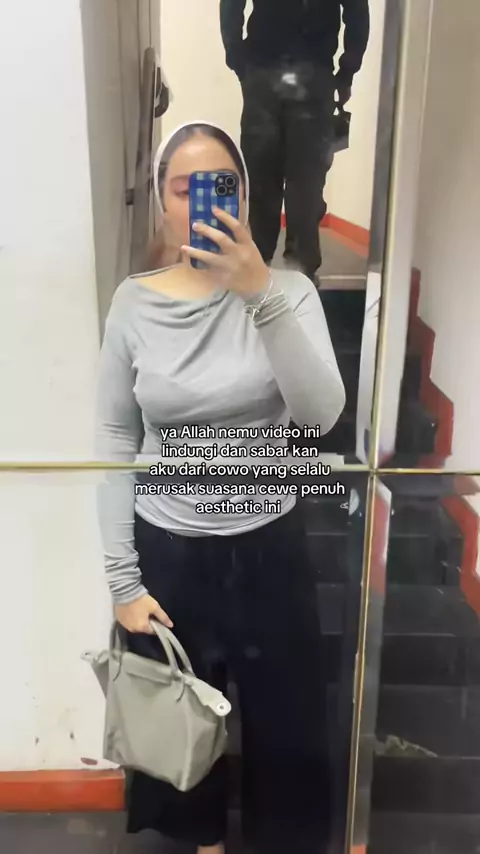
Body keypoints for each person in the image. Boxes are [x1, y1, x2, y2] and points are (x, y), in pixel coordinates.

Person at [96, 121, 346, 854]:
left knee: (289, 723)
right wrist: (122, 580)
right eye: (186, 188)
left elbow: (321, 416)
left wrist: (260, 293)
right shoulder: (134, 303)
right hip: (170, 550)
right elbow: (114, 440)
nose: (206, 202)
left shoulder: (290, 291)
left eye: (223, 186)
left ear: (246, 195)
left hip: (270, 545)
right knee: (180, 720)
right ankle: (203, 844)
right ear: (164, 205)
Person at [220, 0, 370, 282]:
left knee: (261, 176)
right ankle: (301, 272)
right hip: (313, 72)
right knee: (307, 180)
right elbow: (357, 11)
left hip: (264, 69)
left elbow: (231, 5)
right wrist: (346, 72)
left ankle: (256, 266)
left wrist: (238, 59)